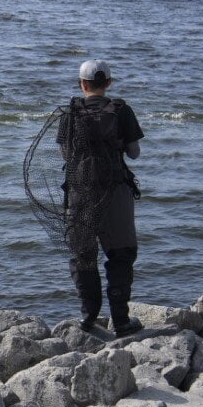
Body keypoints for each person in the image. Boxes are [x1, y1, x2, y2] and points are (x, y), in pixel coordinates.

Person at [57, 59, 144, 337]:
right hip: (116, 191)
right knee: (121, 255)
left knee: (83, 256)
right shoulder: (121, 110)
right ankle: (120, 321)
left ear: (82, 84)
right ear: (108, 83)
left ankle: (88, 317)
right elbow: (134, 153)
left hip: (80, 192)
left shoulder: (69, 113)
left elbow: (65, 155)